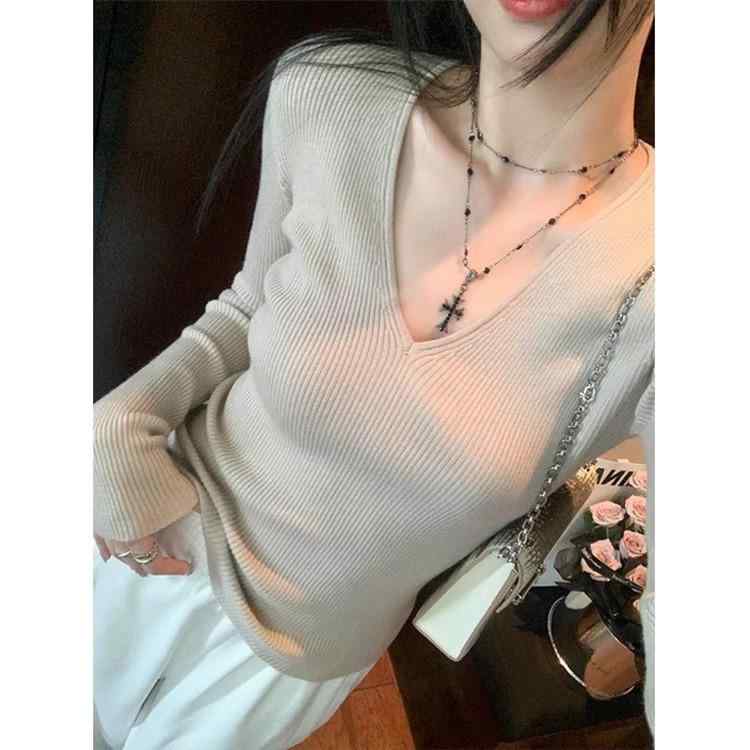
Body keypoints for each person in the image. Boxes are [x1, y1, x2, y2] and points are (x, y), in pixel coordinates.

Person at [93, 1, 656, 747]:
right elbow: (248, 305)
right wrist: (113, 429)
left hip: (289, 663)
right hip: (147, 534)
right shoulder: (330, 91)